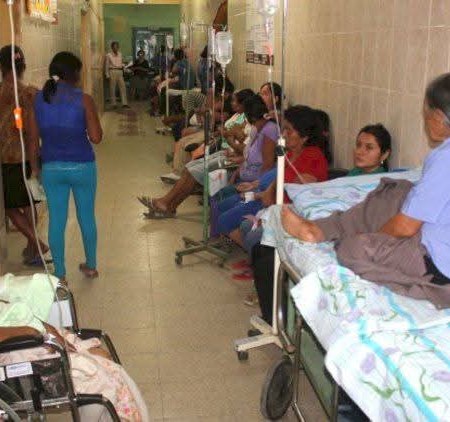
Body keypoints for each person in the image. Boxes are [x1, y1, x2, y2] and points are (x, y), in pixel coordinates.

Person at [281, 75, 450, 305]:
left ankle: (431, 289)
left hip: (435, 264)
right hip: (433, 234)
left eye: (426, 113)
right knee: (396, 189)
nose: (425, 120)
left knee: (352, 249)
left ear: (438, 116)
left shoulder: (445, 158)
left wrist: (375, 239)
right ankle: (319, 229)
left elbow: (405, 227)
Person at [252, 122, 392, 322]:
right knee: (261, 250)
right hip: (327, 219)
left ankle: (279, 321)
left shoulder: (382, 184)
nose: (360, 151)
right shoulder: (354, 174)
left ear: (384, 154)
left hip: (339, 233)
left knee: (267, 261)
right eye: (358, 145)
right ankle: (275, 314)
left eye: (369, 148)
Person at [140, 93, 277, 218]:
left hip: (245, 172)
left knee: (193, 173)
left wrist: (254, 184)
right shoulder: (257, 128)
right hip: (237, 162)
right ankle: (168, 204)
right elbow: (250, 153)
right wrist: (239, 162)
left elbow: (266, 165)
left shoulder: (268, 130)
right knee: (189, 168)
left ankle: (167, 204)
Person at [33, 52, 103, 284]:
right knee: (86, 216)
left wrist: (35, 169)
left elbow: (33, 140)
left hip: (51, 168)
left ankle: (60, 274)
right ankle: (91, 266)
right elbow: (96, 137)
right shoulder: (84, 99)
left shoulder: (38, 99)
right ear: (73, 74)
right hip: (82, 167)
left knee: (57, 219)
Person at [217, 105, 329, 247]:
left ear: (304, 136)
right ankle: (255, 253)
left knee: (242, 228)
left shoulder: (313, 157)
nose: (284, 134)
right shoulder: (290, 154)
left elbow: (295, 195)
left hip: (290, 213)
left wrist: (255, 195)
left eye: (289, 130)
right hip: (271, 203)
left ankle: (257, 254)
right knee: (229, 211)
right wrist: (255, 189)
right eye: (284, 129)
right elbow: (276, 183)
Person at [0, 45, 49, 266]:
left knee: (10, 206)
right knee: (29, 203)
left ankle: (36, 243)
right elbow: (36, 130)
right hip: (30, 156)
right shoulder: (31, 93)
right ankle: (33, 249)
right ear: (23, 66)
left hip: (8, 158)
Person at [105, 41, 129, 109]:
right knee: (112, 88)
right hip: (112, 71)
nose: (115, 48)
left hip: (120, 71)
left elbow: (121, 63)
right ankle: (113, 104)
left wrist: (125, 66)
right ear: (112, 47)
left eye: (117, 47)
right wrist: (107, 75)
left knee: (123, 87)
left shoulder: (120, 54)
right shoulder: (108, 55)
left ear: (118, 47)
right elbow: (106, 65)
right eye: (114, 47)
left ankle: (124, 103)